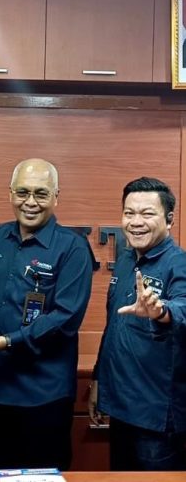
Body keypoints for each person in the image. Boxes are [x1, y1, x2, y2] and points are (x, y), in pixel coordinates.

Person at [0, 158, 93, 470]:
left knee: (43, 476)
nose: (30, 202)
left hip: (46, 394)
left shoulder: (73, 248)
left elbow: (65, 318)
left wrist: (5, 341)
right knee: (2, 473)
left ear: (56, 197)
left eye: (41, 193)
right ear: (10, 194)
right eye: (22, 192)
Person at [89, 177, 186, 470]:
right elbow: (113, 327)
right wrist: (98, 380)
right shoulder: (125, 260)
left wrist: (161, 310)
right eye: (129, 213)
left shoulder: (179, 264)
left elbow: (182, 307)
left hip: (157, 420)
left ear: (169, 220)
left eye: (147, 213)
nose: (136, 222)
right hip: (121, 408)